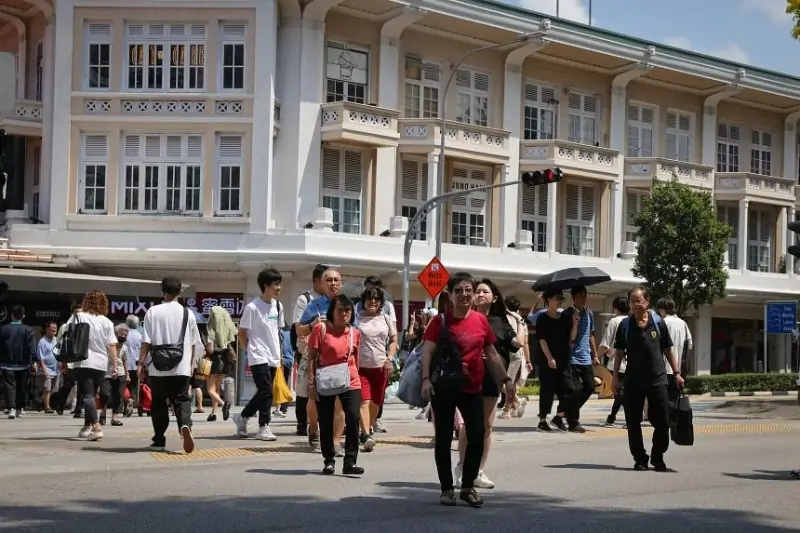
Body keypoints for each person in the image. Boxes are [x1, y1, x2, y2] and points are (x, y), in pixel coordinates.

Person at [420, 271, 514, 508]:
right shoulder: (440, 321)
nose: (464, 294)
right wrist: (425, 380)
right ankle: (446, 489)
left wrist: (505, 380)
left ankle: (468, 486)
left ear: (473, 295)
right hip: (443, 387)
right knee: (442, 438)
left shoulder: (481, 321)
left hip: (472, 386)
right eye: (458, 291)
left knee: (477, 433)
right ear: (450, 295)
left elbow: (491, 354)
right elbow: (428, 352)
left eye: (468, 291)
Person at [612, 285, 684, 472]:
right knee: (633, 422)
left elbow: (668, 350)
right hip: (633, 380)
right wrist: (614, 378)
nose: (635, 304)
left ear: (647, 301)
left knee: (662, 422)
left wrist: (676, 373)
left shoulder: (658, 323)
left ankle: (657, 456)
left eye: (639, 300)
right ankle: (640, 458)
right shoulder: (625, 325)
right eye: (632, 301)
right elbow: (619, 353)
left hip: (657, 379)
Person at [468, 278, 523, 490]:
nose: (480, 294)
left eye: (485, 291)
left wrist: (519, 322)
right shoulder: (466, 317)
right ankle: (463, 468)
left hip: (491, 377)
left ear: (494, 297)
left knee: (486, 427)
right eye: (478, 291)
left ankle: (479, 471)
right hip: (468, 376)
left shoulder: (500, 322)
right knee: (468, 425)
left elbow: (517, 344)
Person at [138, 277, 201, 453]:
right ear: (180, 292)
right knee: (182, 399)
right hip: (181, 367)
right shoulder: (188, 314)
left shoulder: (153, 311)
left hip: (157, 367)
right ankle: (185, 426)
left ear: (162, 291)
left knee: (158, 403)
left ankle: (159, 440)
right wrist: (190, 366)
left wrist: (141, 363)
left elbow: (146, 341)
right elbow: (194, 344)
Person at [307, 294, 364, 476]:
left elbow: (357, 359)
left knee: (353, 418)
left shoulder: (355, 333)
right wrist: (311, 384)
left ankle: (350, 461)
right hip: (325, 381)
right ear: (332, 310)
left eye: (348, 310)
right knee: (325, 421)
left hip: (351, 380)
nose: (345, 314)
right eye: (340, 310)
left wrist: (359, 380)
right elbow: (311, 358)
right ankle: (329, 460)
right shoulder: (320, 329)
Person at [234, 267, 285, 441]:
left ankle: (242, 417)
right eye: (275, 284)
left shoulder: (277, 305)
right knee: (267, 391)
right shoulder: (252, 307)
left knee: (264, 391)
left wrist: (280, 354)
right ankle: (264, 426)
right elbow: (242, 331)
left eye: (279, 284)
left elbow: (277, 331)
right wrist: (248, 350)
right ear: (265, 285)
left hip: (273, 355)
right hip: (257, 354)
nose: (279, 288)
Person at [354, 285, 398, 452]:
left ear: (381, 302)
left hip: (381, 367)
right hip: (361, 368)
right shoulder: (356, 318)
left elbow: (393, 340)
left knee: (376, 402)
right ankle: (366, 434)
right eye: (369, 298)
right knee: (364, 401)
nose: (372, 301)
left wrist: (390, 359)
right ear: (363, 301)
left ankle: (368, 427)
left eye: (376, 299)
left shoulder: (385, 318)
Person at [70, 291, 119, 441]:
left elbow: (68, 335)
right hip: (101, 363)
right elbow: (111, 345)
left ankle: (96, 427)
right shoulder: (107, 322)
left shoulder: (78, 317)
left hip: (83, 360)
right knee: (91, 395)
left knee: (87, 395)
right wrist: (115, 364)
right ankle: (86, 427)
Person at [292, 263, 327, 445]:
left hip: (328, 351)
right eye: (326, 280)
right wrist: (314, 324)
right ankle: (302, 422)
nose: (330, 284)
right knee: (305, 388)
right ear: (316, 281)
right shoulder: (305, 300)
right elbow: (299, 328)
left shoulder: (333, 300)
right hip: (307, 349)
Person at [560, 286, 599, 433]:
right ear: (574, 297)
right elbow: (569, 338)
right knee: (575, 390)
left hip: (586, 358)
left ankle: (564, 412)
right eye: (581, 295)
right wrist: (574, 324)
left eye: (585, 295)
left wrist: (595, 355)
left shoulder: (589, 313)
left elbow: (590, 335)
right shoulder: (567, 314)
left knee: (589, 387)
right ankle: (573, 422)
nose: (584, 298)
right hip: (572, 358)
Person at [533, 290, 569, 431]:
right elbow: (542, 340)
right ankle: (542, 420)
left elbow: (570, 337)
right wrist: (549, 358)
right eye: (557, 298)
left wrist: (576, 324)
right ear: (549, 300)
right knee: (547, 390)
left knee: (569, 388)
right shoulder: (542, 318)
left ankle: (559, 417)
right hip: (546, 359)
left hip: (562, 359)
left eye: (562, 298)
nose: (560, 300)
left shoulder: (565, 317)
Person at [599, 296, 630, 427]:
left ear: (615, 308)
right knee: (621, 392)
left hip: (617, 362)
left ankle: (628, 418)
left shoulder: (614, 321)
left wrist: (595, 356)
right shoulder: (633, 321)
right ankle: (612, 417)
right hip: (633, 362)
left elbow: (606, 345)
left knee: (619, 391)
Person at [0, 305, 35, 419]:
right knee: (22, 386)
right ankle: (20, 408)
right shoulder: (28, 329)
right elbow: (31, 347)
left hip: (7, 363)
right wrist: (33, 361)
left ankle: (11, 408)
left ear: (11, 316)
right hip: (23, 363)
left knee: (9, 385)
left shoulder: (3, 329)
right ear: (23, 316)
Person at [656, 298, 693, 400]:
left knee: (662, 400)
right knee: (674, 400)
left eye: (659, 310)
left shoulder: (662, 322)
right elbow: (689, 344)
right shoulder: (683, 323)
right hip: (678, 370)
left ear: (663, 309)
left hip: (663, 370)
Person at [206, 305, 237, 421]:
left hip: (214, 361)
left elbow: (210, 350)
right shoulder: (226, 330)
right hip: (224, 361)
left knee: (210, 389)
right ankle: (213, 413)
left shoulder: (211, 331)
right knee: (217, 388)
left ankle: (224, 405)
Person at [36, 321, 59, 414]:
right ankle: (47, 407)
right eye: (52, 328)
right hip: (47, 368)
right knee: (47, 388)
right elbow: (40, 357)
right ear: (46, 329)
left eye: (55, 328)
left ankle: (40, 400)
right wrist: (44, 369)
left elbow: (58, 353)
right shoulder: (42, 341)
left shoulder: (56, 340)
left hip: (56, 368)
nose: (53, 330)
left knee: (55, 388)